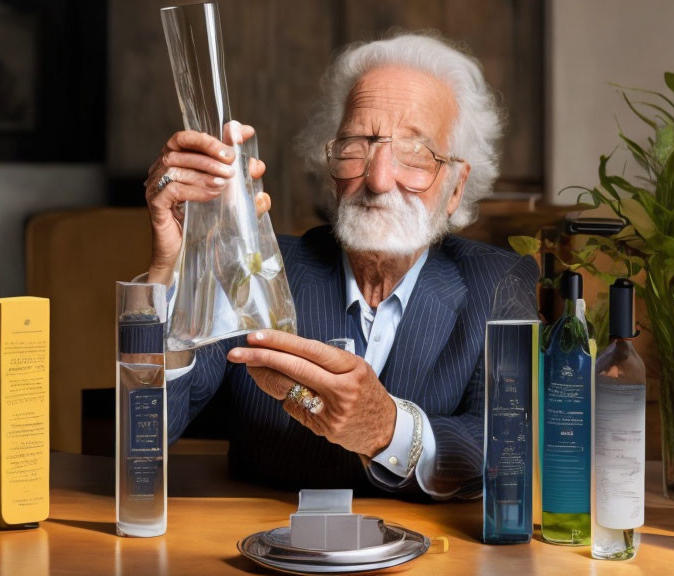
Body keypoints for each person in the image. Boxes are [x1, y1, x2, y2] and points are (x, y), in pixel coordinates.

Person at [142, 32, 537, 499]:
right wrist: (171, 271)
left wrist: (385, 429)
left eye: (415, 154)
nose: (378, 177)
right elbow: (145, 440)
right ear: (330, 162)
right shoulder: (257, 270)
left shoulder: (497, 283)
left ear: (454, 187)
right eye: (358, 145)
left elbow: (510, 450)